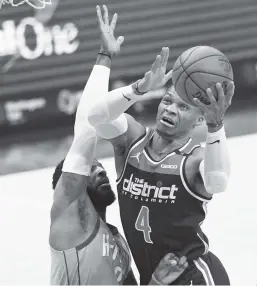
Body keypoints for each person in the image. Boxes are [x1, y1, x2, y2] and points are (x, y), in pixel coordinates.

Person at [86, 4, 234, 285]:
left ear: (199, 118)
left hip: (193, 275)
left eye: (183, 107)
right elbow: (95, 115)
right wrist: (138, 89)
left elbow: (217, 182)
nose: (170, 109)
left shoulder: (193, 160)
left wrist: (216, 128)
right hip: (152, 278)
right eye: (167, 100)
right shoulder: (131, 141)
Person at [48, 5, 189, 285]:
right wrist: (106, 57)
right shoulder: (67, 217)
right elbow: (87, 129)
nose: (100, 171)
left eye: (100, 167)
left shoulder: (116, 239)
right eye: (91, 169)